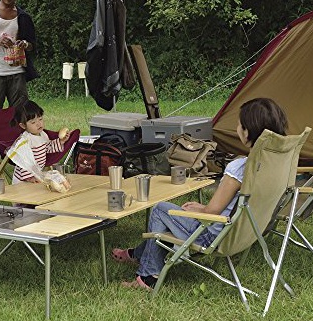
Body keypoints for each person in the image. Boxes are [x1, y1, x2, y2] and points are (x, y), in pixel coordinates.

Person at [112, 97, 289, 290]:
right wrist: (202, 207)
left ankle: (147, 277)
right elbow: (226, 207)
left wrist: (203, 210)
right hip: (244, 233)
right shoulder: (272, 165)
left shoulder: (240, 168)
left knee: (160, 210)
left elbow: (212, 212)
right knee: (171, 217)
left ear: (248, 131)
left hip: (212, 236)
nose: (237, 127)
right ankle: (138, 255)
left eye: (239, 124)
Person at [10, 100, 70, 184]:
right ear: (23, 125)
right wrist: (29, 178)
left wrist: (61, 141)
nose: (39, 124)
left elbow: (48, 147)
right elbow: (23, 161)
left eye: (40, 119)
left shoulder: (43, 134)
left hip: (36, 174)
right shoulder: (25, 141)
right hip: (23, 180)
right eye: (33, 122)